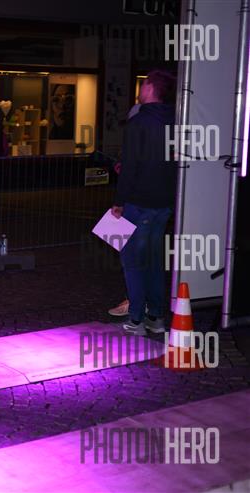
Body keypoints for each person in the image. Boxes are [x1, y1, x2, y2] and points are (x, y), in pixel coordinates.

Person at [111, 69, 177, 335]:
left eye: (143, 85)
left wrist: (119, 202)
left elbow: (130, 166)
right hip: (164, 204)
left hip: (138, 202)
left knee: (132, 261)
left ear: (150, 88)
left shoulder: (138, 123)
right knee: (153, 261)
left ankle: (136, 319)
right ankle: (156, 317)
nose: (140, 89)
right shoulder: (175, 122)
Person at [108, 102, 142, 318]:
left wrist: (119, 202)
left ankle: (135, 303)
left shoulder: (137, 140)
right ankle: (137, 300)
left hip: (133, 203)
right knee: (138, 255)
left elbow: (130, 172)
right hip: (144, 203)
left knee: (130, 256)